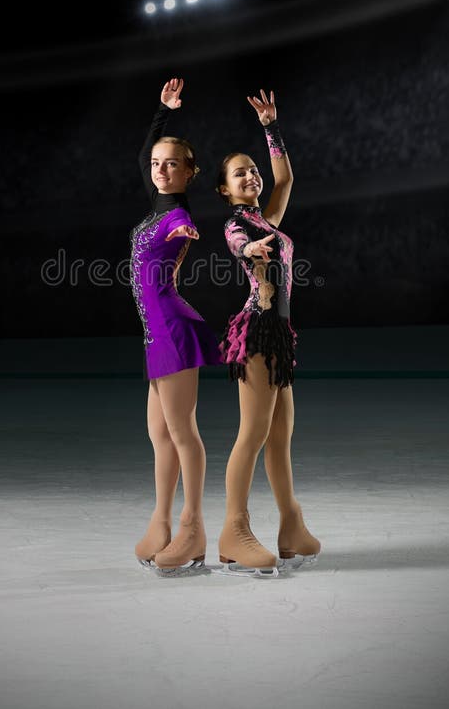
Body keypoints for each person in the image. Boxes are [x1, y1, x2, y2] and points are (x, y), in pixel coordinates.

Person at [215, 88, 321, 578]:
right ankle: (233, 530)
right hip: (256, 333)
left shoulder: (266, 216)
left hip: (280, 335)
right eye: (241, 174)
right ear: (226, 190)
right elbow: (240, 244)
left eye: (253, 170)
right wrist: (251, 251)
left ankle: (290, 526)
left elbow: (286, 177)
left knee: (281, 438)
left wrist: (271, 128)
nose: (252, 176)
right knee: (253, 433)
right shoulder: (238, 224)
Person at [131, 77, 223, 577]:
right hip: (155, 333)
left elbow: (180, 226)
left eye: (172, 165)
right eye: (156, 165)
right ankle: (162, 519)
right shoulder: (158, 202)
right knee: (158, 434)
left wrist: (183, 230)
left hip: (173, 329)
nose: (161, 171)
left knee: (182, 432)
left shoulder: (176, 214)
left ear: (190, 172)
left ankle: (193, 528)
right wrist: (163, 113)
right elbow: (146, 151)